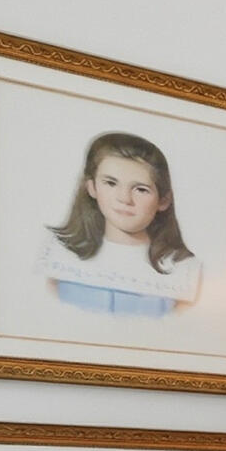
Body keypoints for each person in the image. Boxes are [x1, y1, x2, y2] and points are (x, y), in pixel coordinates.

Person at [43, 131, 202, 317]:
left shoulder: (183, 270)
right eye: (111, 183)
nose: (125, 199)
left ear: (163, 200)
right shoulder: (59, 255)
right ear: (92, 187)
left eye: (140, 189)